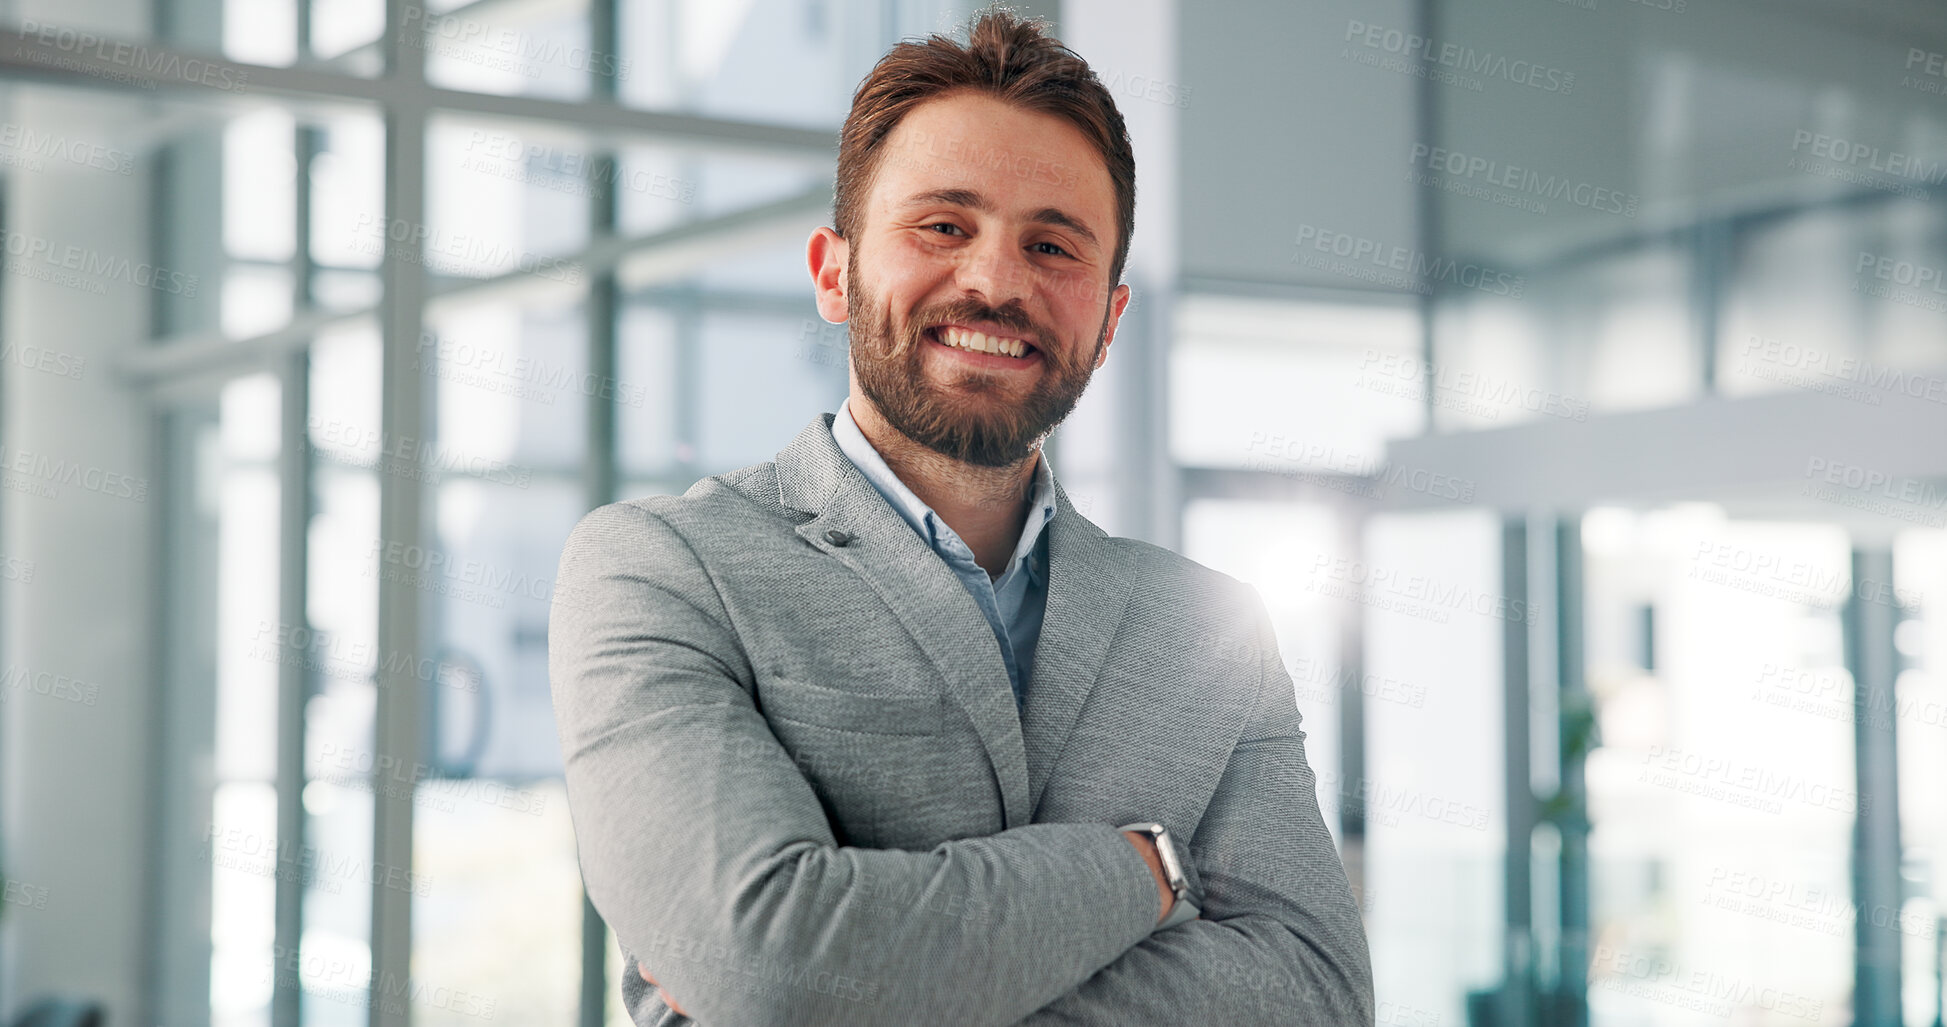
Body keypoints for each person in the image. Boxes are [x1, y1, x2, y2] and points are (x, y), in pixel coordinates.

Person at [548, 8, 1373, 1024]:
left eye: (1054, 245)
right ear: (833, 272)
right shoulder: (663, 569)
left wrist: (875, 966)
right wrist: (1148, 869)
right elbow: (772, 966)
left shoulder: (1213, 631)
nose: (994, 281)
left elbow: (1318, 995)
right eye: (943, 225)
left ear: (1109, 322)